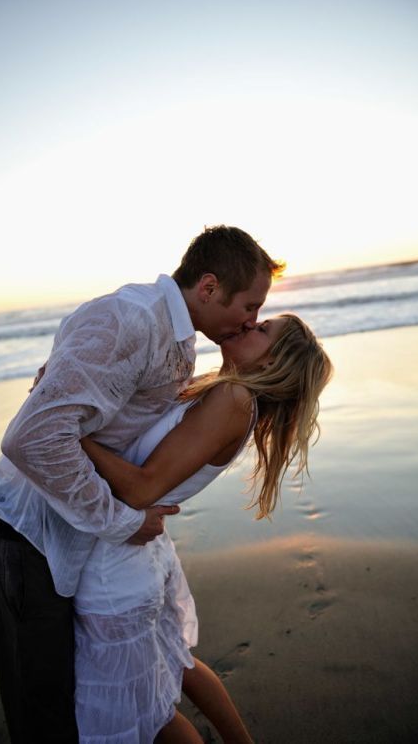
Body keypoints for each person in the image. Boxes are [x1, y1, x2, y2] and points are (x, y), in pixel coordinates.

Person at [0, 225, 283, 743]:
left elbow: (103, 425)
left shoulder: (178, 345)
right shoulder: (132, 319)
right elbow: (32, 437)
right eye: (250, 306)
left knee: (73, 711)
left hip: (73, 541)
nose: (250, 319)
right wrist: (121, 521)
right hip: (26, 536)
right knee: (46, 717)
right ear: (208, 289)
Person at [71, 313, 333, 743]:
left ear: (272, 363)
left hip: (114, 570)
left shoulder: (234, 398)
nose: (250, 326)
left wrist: (71, 431)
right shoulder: (221, 388)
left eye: (263, 330)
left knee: (150, 716)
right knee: (177, 665)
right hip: (138, 554)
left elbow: (139, 488)